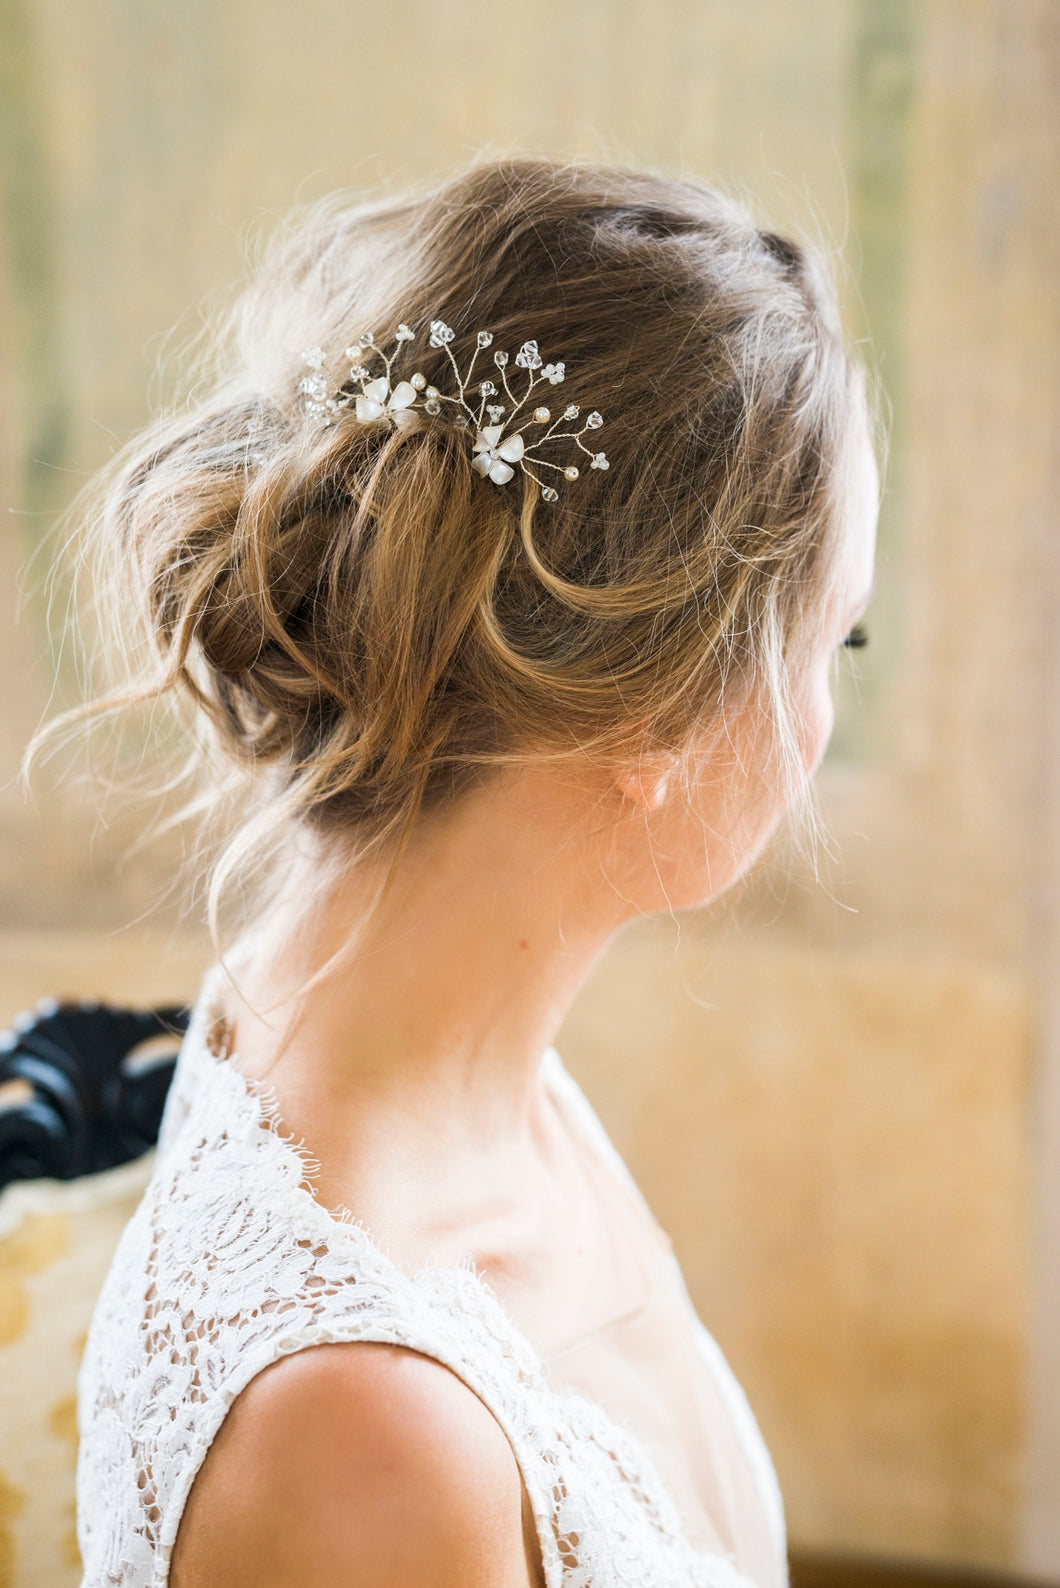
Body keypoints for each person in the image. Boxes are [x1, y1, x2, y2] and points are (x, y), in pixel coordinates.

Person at [60, 157, 879, 1587]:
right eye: (836, 646)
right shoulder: (368, 1439)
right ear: (655, 719)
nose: (822, 723)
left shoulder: (411, 1035)